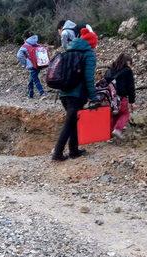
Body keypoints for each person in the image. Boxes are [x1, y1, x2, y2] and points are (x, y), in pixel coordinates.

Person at [52, 27, 99, 161]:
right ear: (92, 43)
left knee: (73, 122)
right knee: (69, 123)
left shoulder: (68, 51)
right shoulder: (88, 54)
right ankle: (57, 153)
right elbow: (89, 78)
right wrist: (94, 97)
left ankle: (73, 151)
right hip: (76, 95)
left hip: (63, 93)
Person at [105, 53, 136, 139]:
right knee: (125, 113)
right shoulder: (127, 71)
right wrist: (132, 101)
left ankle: (109, 135)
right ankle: (117, 130)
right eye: (130, 63)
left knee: (114, 115)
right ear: (127, 62)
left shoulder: (109, 71)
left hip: (109, 98)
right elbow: (131, 87)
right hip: (121, 97)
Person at [17, 31, 46, 99]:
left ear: (25, 38)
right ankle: (30, 94)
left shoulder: (25, 46)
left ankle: (42, 93)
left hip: (31, 66)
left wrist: (25, 63)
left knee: (35, 79)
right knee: (31, 79)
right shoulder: (37, 44)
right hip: (39, 65)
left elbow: (19, 55)